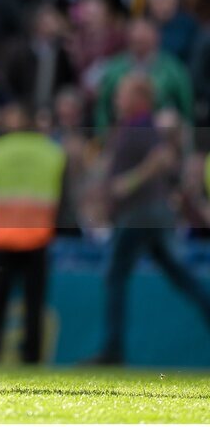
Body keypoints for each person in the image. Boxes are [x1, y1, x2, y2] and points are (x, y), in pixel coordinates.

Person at [87, 73, 210, 364]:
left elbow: (162, 157)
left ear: (140, 98)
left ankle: (112, 350)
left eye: (123, 93)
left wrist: (126, 183)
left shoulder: (142, 124)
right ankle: (112, 348)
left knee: (116, 275)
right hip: (149, 214)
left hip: (140, 213)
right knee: (180, 276)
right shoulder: (133, 126)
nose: (117, 99)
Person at [0, 103, 66, 364]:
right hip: (38, 239)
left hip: (2, 239)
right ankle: (32, 358)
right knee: (34, 308)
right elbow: (62, 198)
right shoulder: (53, 152)